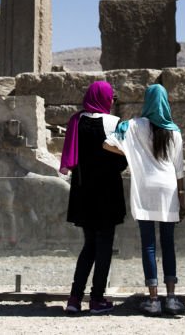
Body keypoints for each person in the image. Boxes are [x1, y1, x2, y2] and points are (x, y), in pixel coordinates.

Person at [105, 84, 185, 316]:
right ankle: (171, 298)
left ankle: (153, 299)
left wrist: (132, 153)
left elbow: (108, 143)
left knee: (148, 245)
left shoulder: (133, 126)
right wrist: (182, 200)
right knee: (169, 243)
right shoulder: (175, 131)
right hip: (169, 188)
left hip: (145, 189)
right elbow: (179, 169)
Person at [60, 80, 126, 315]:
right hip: (107, 194)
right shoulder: (113, 123)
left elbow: (72, 156)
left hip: (83, 193)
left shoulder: (76, 121)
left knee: (89, 245)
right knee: (104, 246)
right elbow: (122, 161)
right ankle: (97, 298)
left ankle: (75, 297)